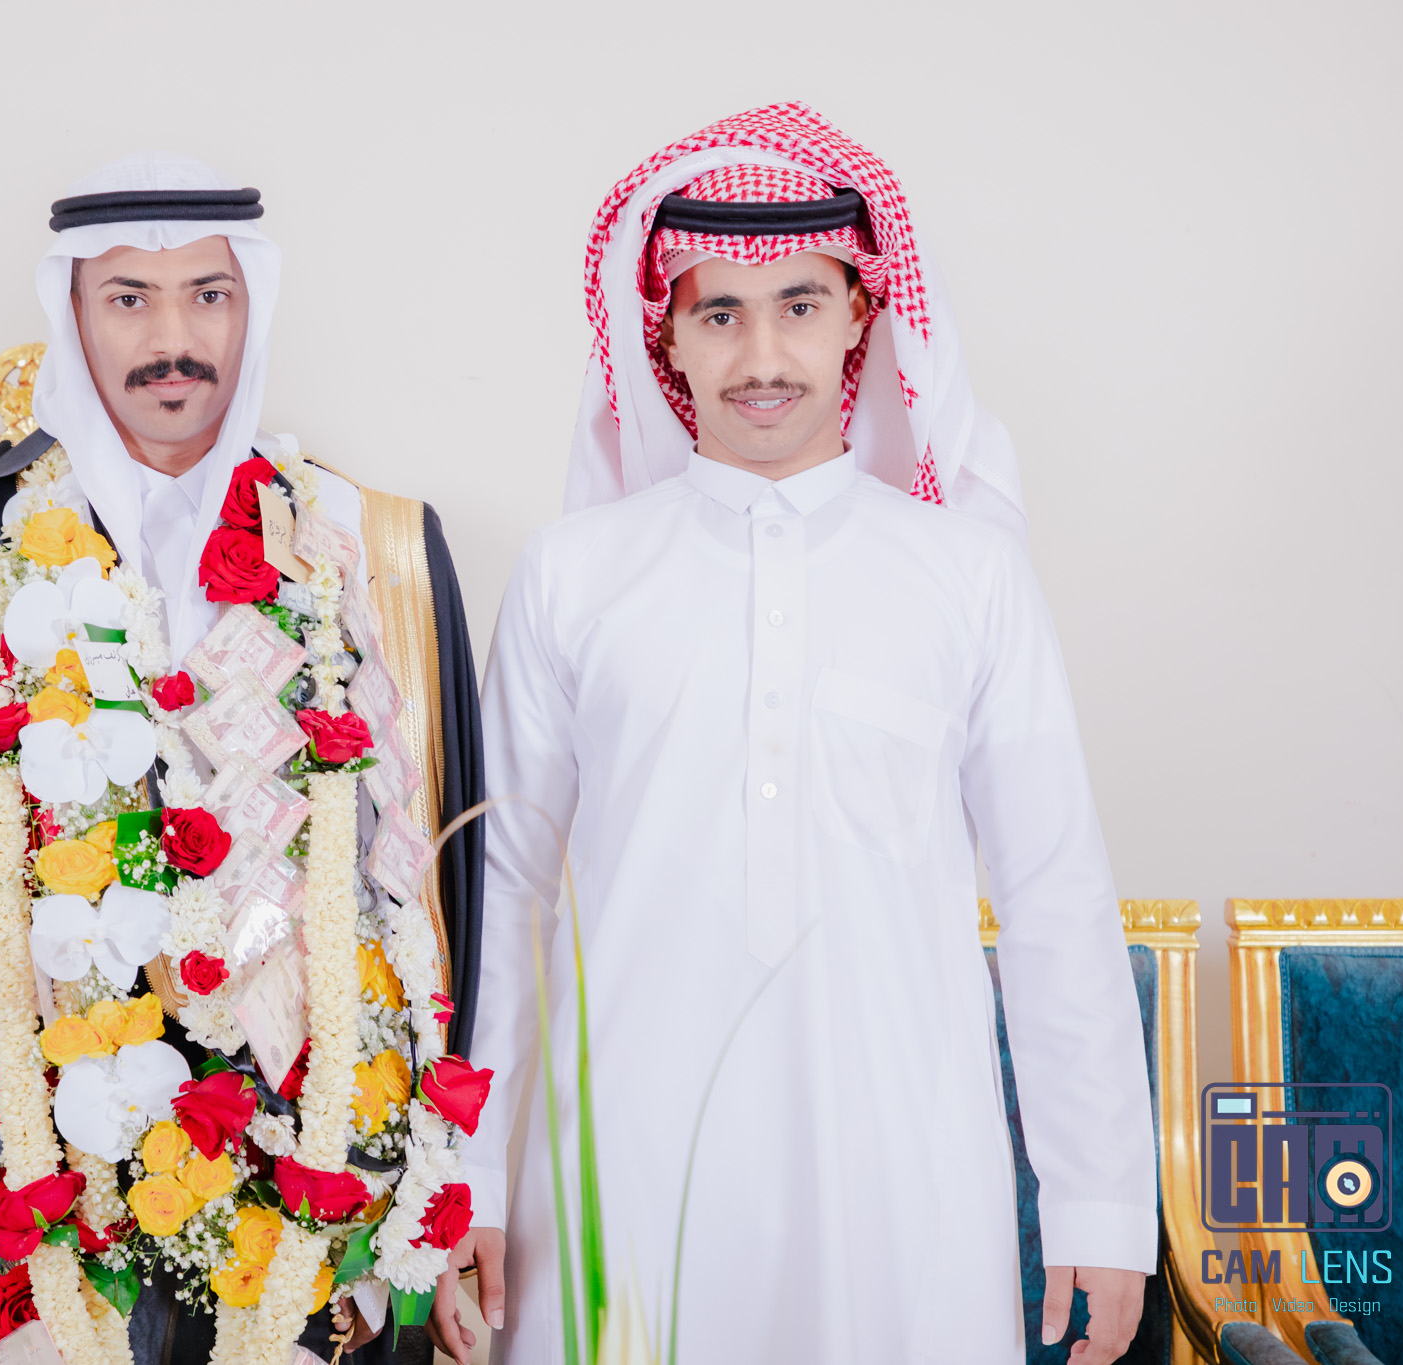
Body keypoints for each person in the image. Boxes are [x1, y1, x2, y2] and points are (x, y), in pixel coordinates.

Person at [0, 152, 487, 1365]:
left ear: (251, 307)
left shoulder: (347, 541)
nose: (171, 339)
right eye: (128, 298)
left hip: (304, 1139)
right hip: (22, 1126)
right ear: (72, 314)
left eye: (207, 296)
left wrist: (447, 1198)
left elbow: (431, 900)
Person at [456, 103, 1157, 1364]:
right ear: (665, 337)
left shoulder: (966, 576)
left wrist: (1099, 1202)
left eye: (797, 304)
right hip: (624, 1160)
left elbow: (1052, 892)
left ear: (859, 318)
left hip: (901, 1164)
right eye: (718, 313)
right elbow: (504, 894)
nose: (761, 354)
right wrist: (464, 1184)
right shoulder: (574, 574)